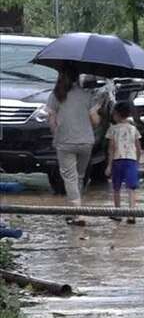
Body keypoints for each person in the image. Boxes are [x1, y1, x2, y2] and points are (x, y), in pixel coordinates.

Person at [45, 69, 106, 225]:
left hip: (65, 141)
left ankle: (78, 214)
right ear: (78, 78)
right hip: (86, 141)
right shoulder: (87, 95)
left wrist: (56, 134)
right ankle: (76, 210)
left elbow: (51, 120)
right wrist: (99, 110)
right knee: (79, 176)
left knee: (70, 178)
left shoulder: (55, 96)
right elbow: (95, 122)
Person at [106, 103, 141, 224]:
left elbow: (111, 148)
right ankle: (132, 214)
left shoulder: (113, 129)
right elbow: (138, 147)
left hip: (117, 160)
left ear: (117, 114)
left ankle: (118, 213)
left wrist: (109, 165)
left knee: (116, 188)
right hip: (131, 160)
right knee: (131, 188)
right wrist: (137, 162)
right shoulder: (133, 129)